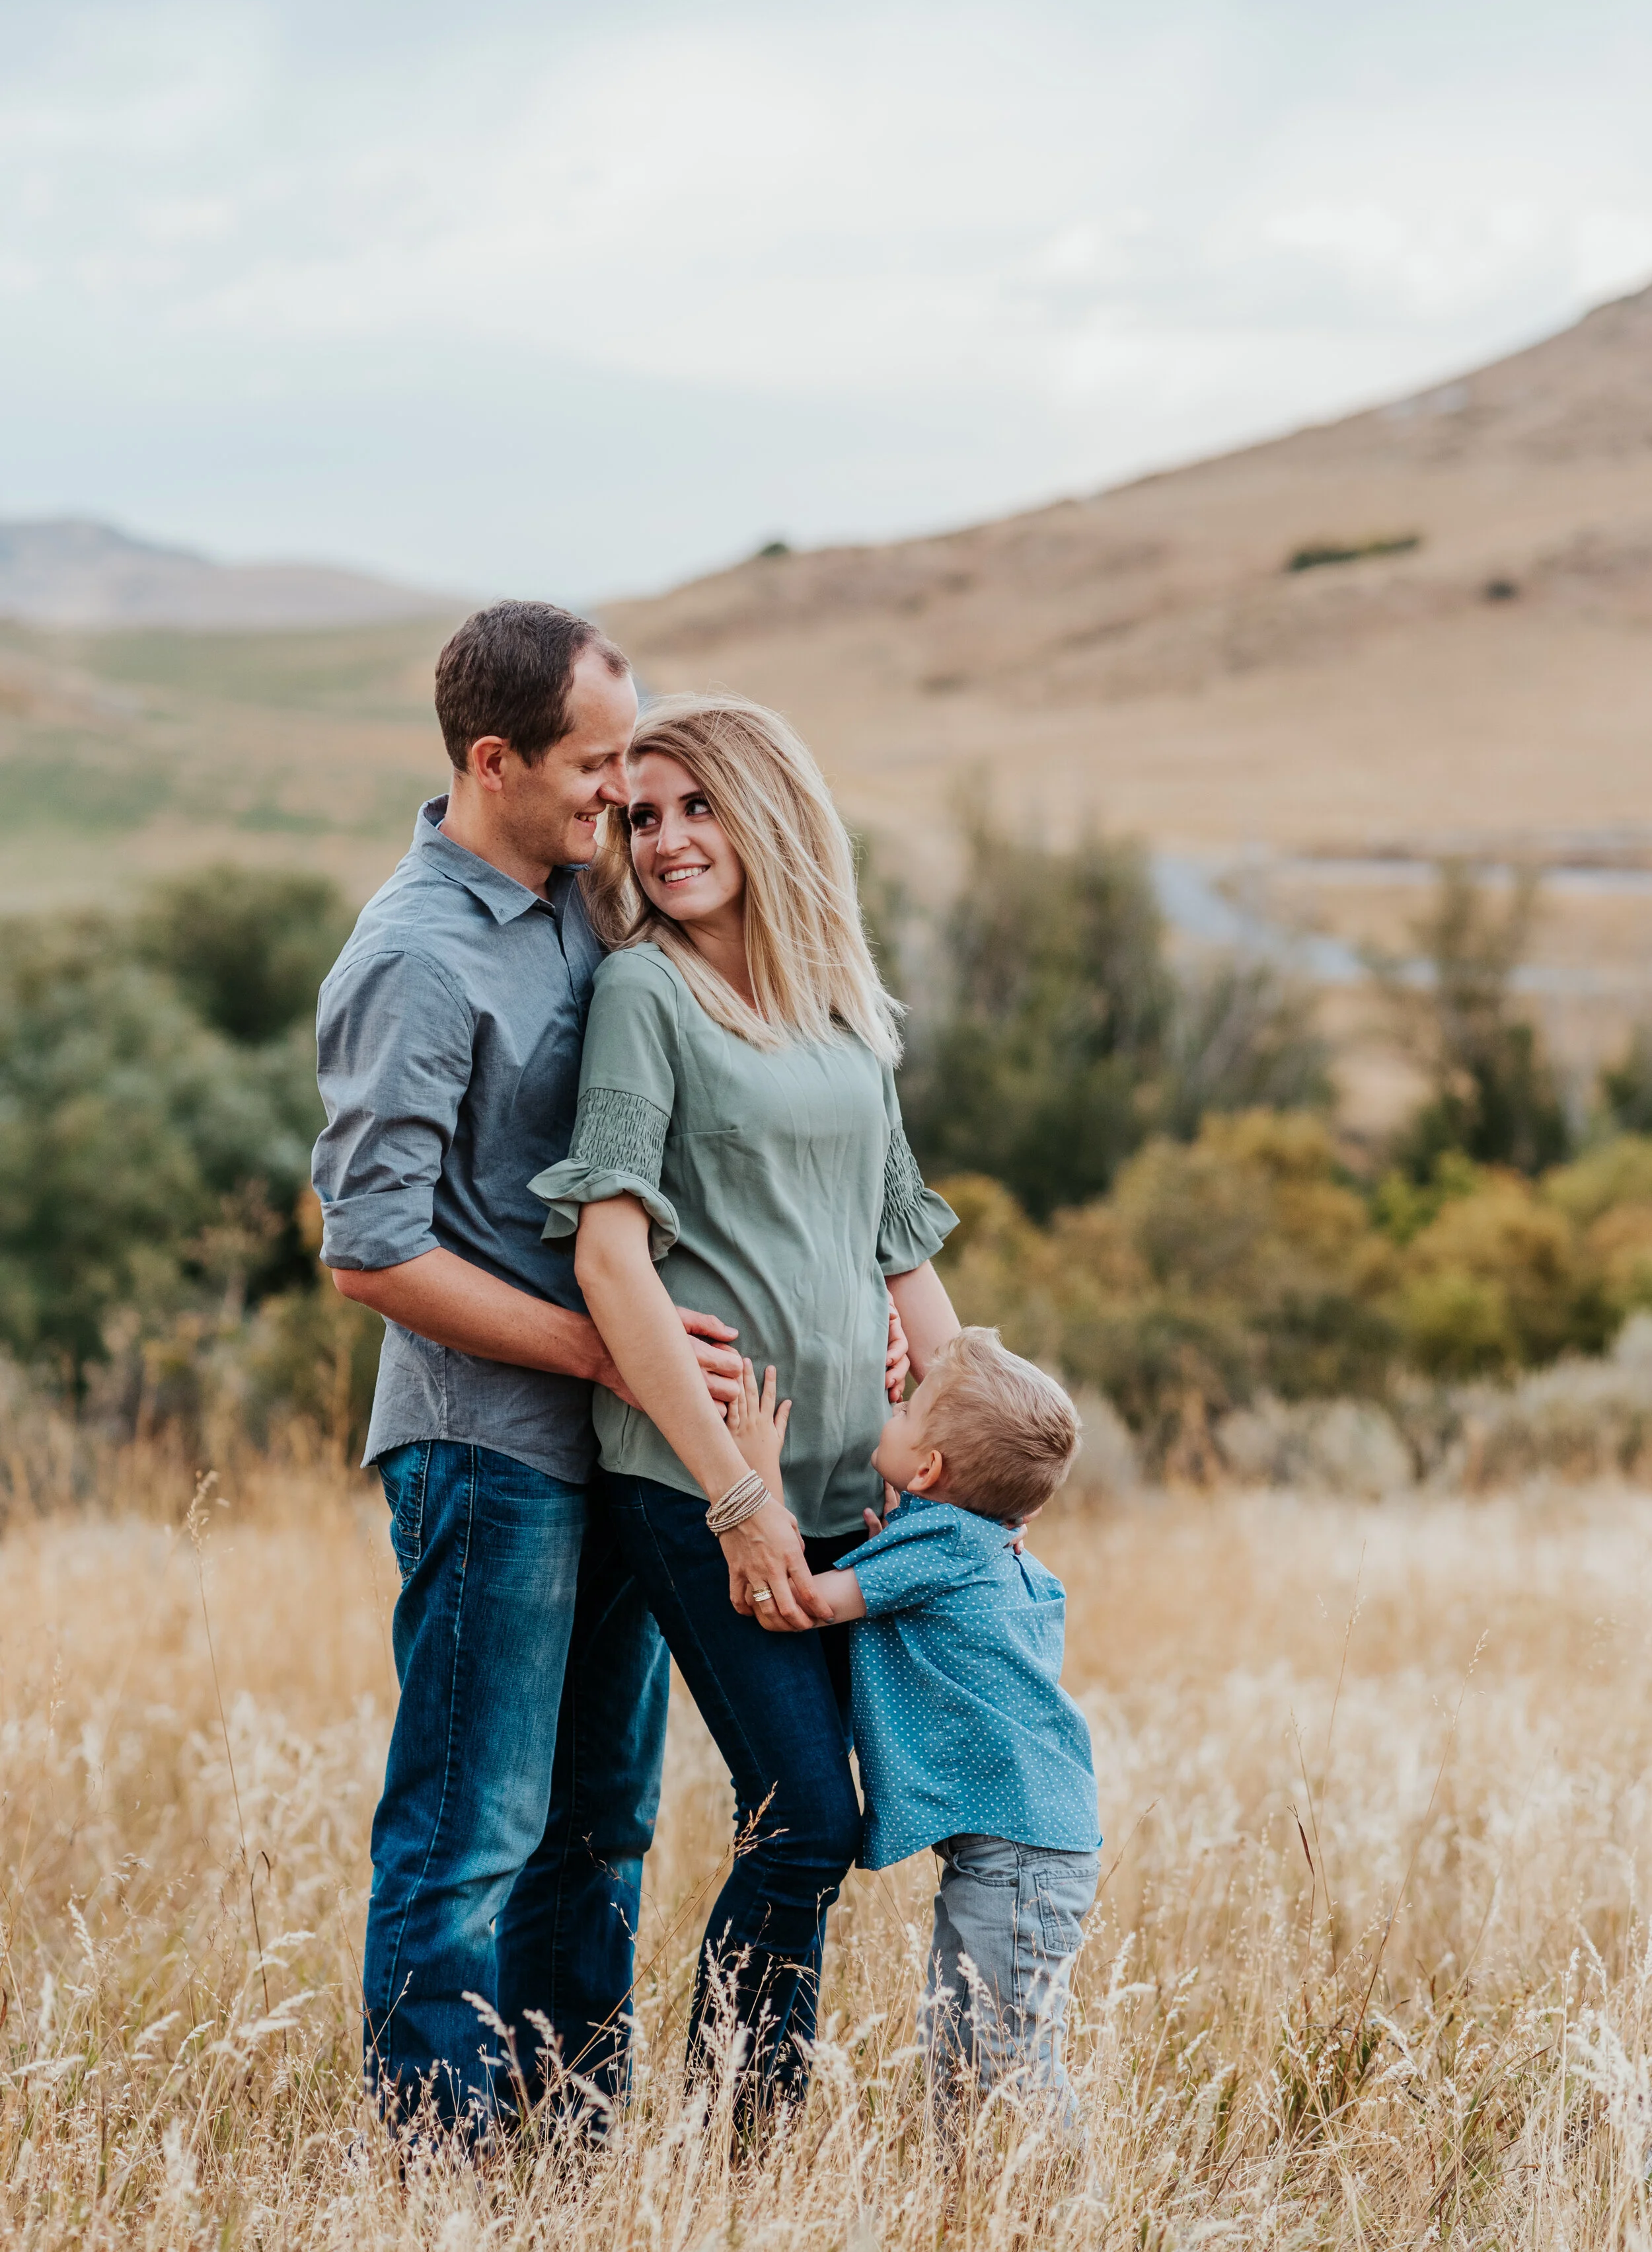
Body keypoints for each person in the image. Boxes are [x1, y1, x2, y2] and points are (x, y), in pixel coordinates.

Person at [313, 602, 749, 2135]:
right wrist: (601, 1348)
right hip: (488, 1448)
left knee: (603, 1828)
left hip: (619, 1451)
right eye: (595, 760)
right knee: (469, 1830)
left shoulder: (580, 901)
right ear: (491, 760)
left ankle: (570, 2148)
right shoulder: (416, 958)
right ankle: (443, 2166)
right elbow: (371, 1249)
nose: (623, 792)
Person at [528, 693, 961, 2117]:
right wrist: (737, 1497)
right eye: (640, 815)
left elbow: (900, 1249)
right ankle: (735, 2141)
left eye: (693, 805)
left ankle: (745, 2143)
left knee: (819, 1826)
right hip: (695, 1484)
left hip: (859, 1494)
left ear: (767, 809)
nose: (659, 840)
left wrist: (963, 1460)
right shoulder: (646, 995)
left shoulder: (843, 1010)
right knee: (808, 1819)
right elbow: (606, 1250)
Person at [731, 1327, 1100, 2130]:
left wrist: (751, 1479)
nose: (891, 1404)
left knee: (999, 2063)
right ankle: (984, 2207)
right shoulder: (978, 1535)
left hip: (1015, 1856)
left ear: (928, 1469)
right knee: (974, 2051)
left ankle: (1054, 2211)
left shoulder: (943, 1539)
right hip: (1026, 1846)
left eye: (909, 1406)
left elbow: (804, 1605)